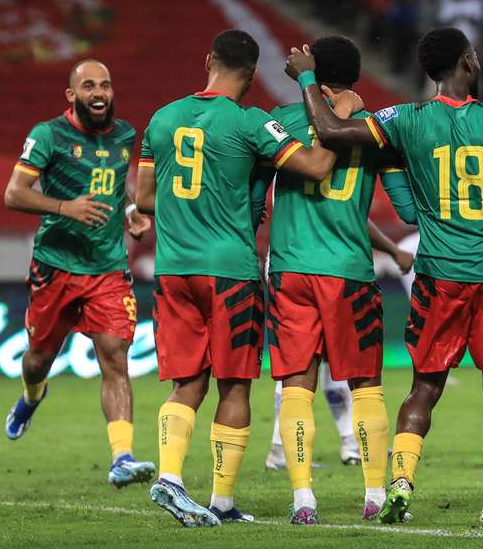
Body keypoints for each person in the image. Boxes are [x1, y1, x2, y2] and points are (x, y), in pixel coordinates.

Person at [285, 26, 483, 524]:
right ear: (467, 62)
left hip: (438, 273)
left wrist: (308, 80)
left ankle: (399, 483)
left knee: (425, 385)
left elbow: (333, 132)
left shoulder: (404, 119)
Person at [134, 29, 341, 528]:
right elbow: (314, 166)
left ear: (208, 60)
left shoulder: (162, 119)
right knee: (234, 385)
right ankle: (222, 501)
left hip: (174, 269)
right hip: (230, 271)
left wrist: (188, 211)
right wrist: (341, 124)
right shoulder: (251, 122)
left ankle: (170, 477)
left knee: (187, 382)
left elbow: (143, 199)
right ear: (251, 74)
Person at [260, 34, 418, 524]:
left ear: (312, 69)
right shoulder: (373, 129)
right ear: (354, 74)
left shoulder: (281, 121)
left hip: (291, 269)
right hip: (349, 272)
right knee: (366, 386)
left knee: (297, 386)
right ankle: (374, 494)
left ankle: (303, 498)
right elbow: (408, 207)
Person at [3, 59, 155, 488]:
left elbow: (114, 182)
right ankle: (33, 395)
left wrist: (129, 211)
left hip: (107, 267)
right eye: (88, 85)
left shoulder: (124, 134)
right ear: (72, 95)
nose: (99, 92)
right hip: (56, 266)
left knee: (115, 358)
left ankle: (122, 457)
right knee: (38, 360)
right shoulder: (48, 135)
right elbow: (14, 194)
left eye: (105, 84)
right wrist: (65, 207)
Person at [264, 221, 414, 477]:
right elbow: (347, 212)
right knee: (308, 361)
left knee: (314, 360)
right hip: (316, 259)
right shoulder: (324, 179)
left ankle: (346, 441)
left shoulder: (286, 178)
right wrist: (392, 250)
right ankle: (284, 448)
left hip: (293, 257)